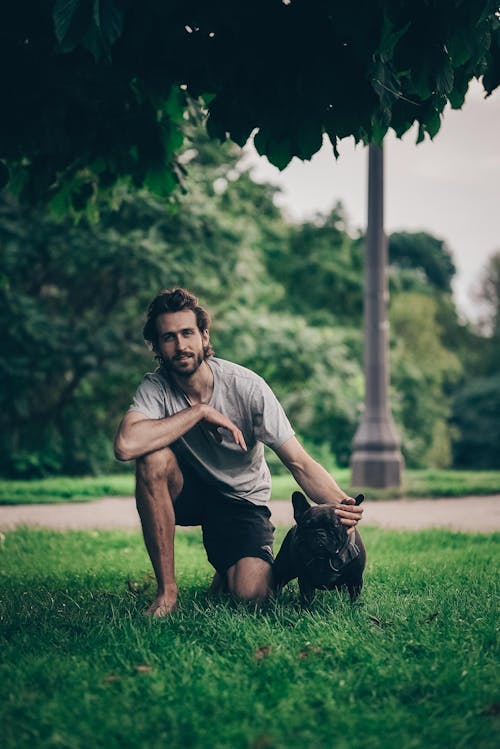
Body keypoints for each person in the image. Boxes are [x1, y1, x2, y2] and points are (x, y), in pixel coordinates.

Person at [114, 288, 363, 616]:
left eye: (188, 333)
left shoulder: (247, 388)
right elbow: (126, 445)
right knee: (152, 459)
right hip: (186, 493)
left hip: (240, 500)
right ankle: (167, 594)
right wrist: (199, 412)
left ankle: (230, 565)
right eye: (169, 337)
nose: (180, 345)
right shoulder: (155, 388)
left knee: (253, 597)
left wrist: (341, 506)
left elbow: (299, 462)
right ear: (157, 347)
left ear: (204, 336)